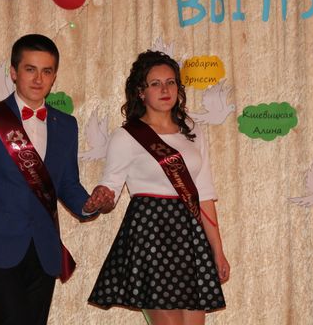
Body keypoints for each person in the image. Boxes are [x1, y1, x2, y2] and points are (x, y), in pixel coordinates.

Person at [0, 34, 114, 325]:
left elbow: (67, 184)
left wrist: (90, 204)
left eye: (47, 71)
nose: (38, 79)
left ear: (54, 76)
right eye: (30, 69)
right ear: (14, 72)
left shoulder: (66, 125)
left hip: (44, 251)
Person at [88, 50, 229, 325]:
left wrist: (217, 250)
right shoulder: (127, 136)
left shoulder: (192, 130)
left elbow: (204, 193)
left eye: (170, 82)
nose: (165, 90)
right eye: (155, 84)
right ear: (141, 92)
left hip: (189, 235)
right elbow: (110, 188)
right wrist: (101, 197)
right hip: (150, 233)